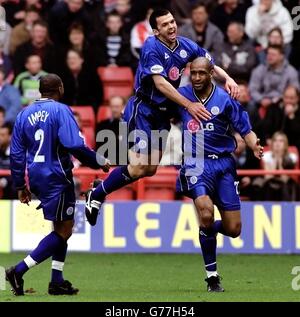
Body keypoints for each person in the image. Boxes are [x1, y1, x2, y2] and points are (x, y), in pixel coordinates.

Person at [85, 8, 239, 226]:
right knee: (139, 166)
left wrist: (228, 78)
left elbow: (208, 63)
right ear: (157, 31)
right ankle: (98, 193)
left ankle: (99, 191)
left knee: (149, 169)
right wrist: (189, 105)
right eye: (165, 24)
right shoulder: (151, 47)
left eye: (173, 21)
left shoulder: (185, 45)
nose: (172, 26)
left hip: (163, 113)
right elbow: (160, 84)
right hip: (144, 110)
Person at [6, 74, 110, 296]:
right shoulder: (61, 110)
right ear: (60, 89)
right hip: (57, 175)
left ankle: (57, 281)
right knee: (64, 230)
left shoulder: (24, 114)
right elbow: (73, 143)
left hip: (36, 176)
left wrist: (20, 185)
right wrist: (97, 161)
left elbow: (16, 154)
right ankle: (18, 270)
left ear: (40, 90)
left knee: (61, 226)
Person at [176, 57, 263, 292]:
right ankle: (212, 277)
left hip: (224, 165)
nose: (196, 78)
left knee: (234, 229)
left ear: (211, 73)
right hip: (195, 164)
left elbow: (245, 129)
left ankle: (207, 231)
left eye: (201, 73)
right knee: (205, 212)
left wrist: (254, 146)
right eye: (193, 73)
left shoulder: (225, 99)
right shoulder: (181, 95)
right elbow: (158, 107)